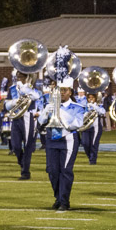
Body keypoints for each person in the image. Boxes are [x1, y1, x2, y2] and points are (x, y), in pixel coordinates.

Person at [38, 47, 86, 211]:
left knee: (65, 170)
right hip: (52, 139)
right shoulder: (50, 104)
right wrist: (47, 111)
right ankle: (58, 197)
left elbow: (76, 124)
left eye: (64, 90)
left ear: (70, 91)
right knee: (52, 171)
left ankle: (64, 201)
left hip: (68, 141)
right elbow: (41, 122)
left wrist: (61, 113)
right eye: (59, 90)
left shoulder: (77, 107)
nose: (62, 93)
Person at [7, 71, 41, 179]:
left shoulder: (32, 89)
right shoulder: (12, 89)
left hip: (27, 117)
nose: (18, 79)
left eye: (21, 77)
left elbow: (36, 97)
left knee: (28, 145)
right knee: (16, 145)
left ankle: (25, 172)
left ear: (27, 78)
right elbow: (7, 105)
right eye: (18, 77)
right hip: (16, 117)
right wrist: (14, 102)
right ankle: (22, 162)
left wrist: (25, 88)